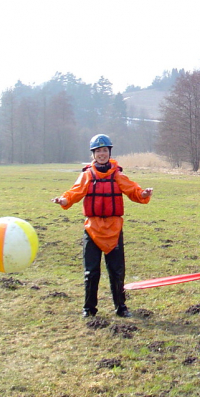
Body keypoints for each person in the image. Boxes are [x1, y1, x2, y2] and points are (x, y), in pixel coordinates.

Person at [52, 134, 153, 318]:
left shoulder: (118, 175)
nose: (102, 154)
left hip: (113, 228)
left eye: (105, 150)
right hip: (92, 228)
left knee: (117, 271)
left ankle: (121, 308)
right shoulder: (87, 175)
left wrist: (143, 194)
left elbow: (133, 190)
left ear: (109, 152)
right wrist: (63, 200)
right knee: (91, 271)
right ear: (93, 154)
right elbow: (75, 193)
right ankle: (89, 309)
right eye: (98, 151)